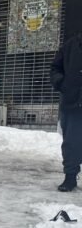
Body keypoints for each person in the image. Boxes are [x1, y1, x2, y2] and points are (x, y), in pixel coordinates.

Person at [50, 34, 82, 192]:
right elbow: (55, 67)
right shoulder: (70, 45)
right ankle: (70, 177)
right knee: (72, 142)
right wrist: (61, 82)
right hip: (72, 101)